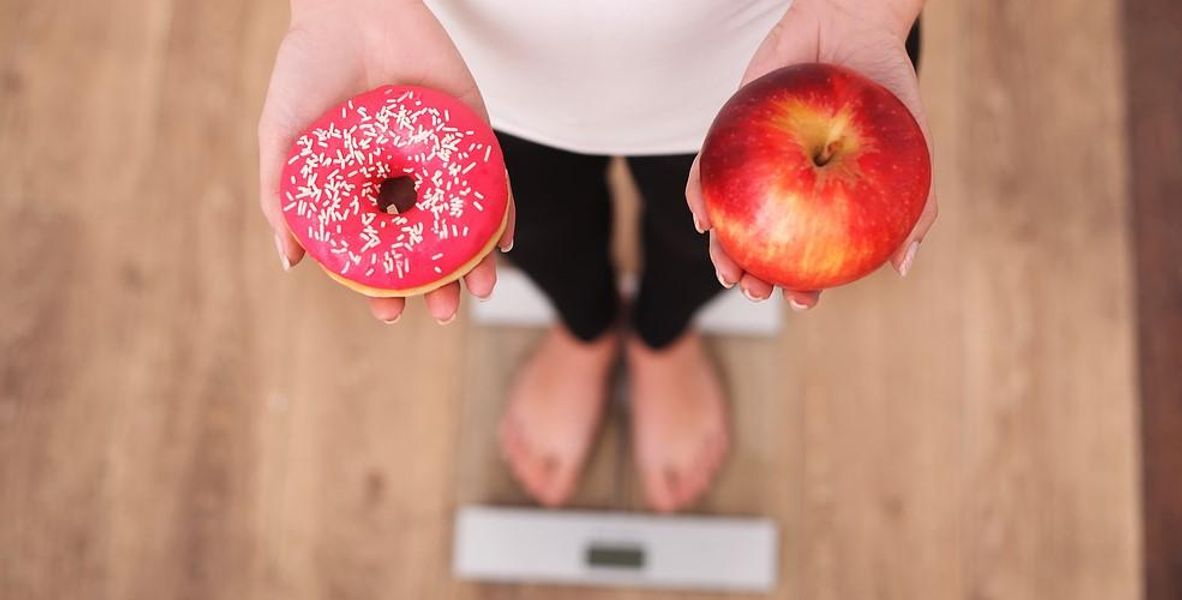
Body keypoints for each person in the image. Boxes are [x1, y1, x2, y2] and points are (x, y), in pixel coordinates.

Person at [258, 0, 937, 512]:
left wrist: (863, 9)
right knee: (537, 229)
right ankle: (583, 332)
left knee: (704, 242)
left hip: (782, 51)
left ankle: (662, 339)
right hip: (449, 49)